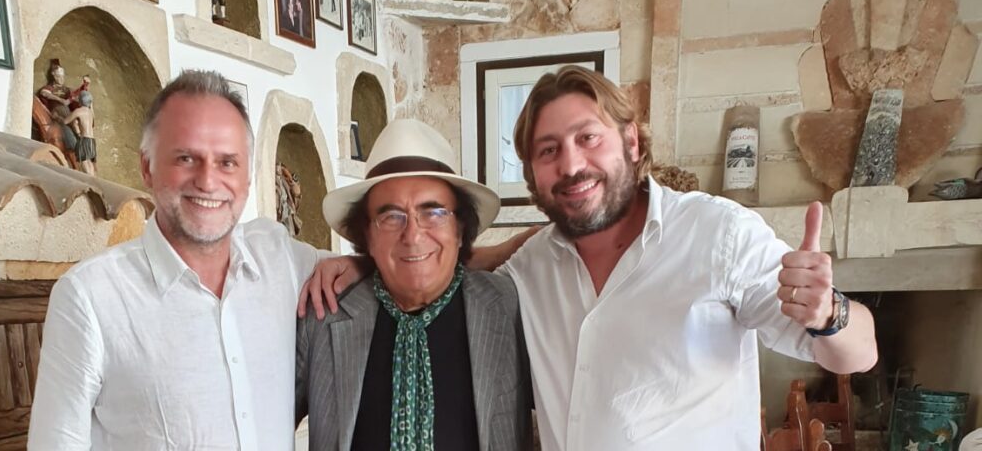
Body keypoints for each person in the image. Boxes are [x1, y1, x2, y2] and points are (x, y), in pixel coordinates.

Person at [307, 66, 878, 450]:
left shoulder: (717, 234)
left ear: (631, 141)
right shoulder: (532, 266)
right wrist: (371, 265)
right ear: (533, 174)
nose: (572, 165)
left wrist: (830, 312)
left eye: (588, 138)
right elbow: (442, 261)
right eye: (548, 150)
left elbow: (860, 352)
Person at [27, 71, 345, 450]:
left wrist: (354, 266)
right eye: (186, 158)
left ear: (247, 177)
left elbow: (382, 269)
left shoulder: (280, 258)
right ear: (147, 167)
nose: (207, 181)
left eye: (227, 162)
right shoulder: (88, 298)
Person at [297, 118, 532, 450]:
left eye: (433, 213)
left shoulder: (510, 307)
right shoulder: (323, 317)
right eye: (391, 217)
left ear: (460, 229)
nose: (413, 235)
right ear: (367, 235)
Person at [63, 89, 97, 175]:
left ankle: (88, 182)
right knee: (90, 165)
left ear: (80, 100)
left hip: (84, 140)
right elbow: (93, 124)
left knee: (86, 168)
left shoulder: (78, 111)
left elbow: (65, 122)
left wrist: (57, 117)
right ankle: (93, 181)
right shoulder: (90, 112)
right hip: (92, 141)